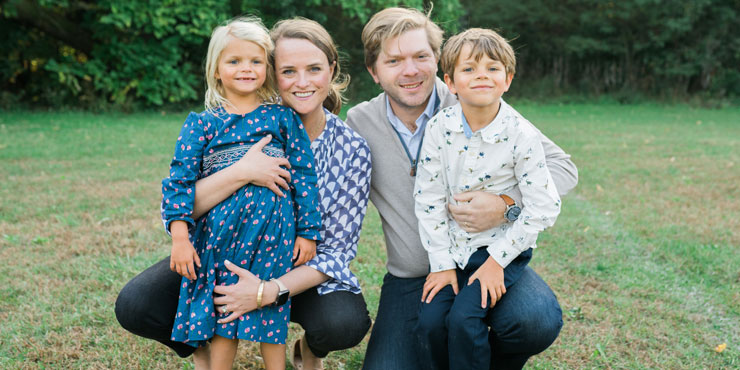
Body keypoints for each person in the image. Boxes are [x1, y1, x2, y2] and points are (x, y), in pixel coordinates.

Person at [115, 17, 372, 370]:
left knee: (342, 323)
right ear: (272, 72)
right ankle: (202, 344)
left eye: (313, 69)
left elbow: (336, 248)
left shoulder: (346, 146)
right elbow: (177, 193)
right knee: (137, 304)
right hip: (222, 247)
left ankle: (308, 351)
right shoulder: (212, 124)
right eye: (288, 71)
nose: (302, 82)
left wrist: (268, 288)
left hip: (297, 263)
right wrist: (240, 173)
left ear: (331, 70)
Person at [345, 7, 578, 370]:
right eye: (394, 60)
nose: (410, 70)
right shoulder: (360, 121)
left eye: (421, 56)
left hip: (483, 256)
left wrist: (504, 204)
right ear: (374, 71)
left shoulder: (476, 96)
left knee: (533, 320)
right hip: (414, 277)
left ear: (439, 63)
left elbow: (562, 169)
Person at [161, 16, 322, 370]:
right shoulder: (203, 123)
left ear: (267, 67)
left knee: (270, 309)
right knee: (225, 309)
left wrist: (307, 233)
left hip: (274, 233)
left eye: (255, 61)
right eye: (234, 61)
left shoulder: (282, 118)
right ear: (216, 70)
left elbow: (305, 177)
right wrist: (180, 237)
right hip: (219, 237)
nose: (245, 69)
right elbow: (178, 182)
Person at [413, 28, 562, 370]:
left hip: (500, 250)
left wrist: (497, 263)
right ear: (450, 82)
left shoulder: (521, 134)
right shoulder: (439, 128)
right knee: (431, 322)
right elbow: (429, 198)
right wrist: (442, 263)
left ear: (508, 79)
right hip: (451, 248)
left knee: (465, 319)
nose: (481, 74)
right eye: (469, 69)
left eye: (492, 68)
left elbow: (544, 206)